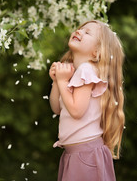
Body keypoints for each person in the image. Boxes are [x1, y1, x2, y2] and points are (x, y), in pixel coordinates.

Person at [49, 20, 125, 181]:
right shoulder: (76, 71)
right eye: (80, 29)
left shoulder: (86, 70)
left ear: (96, 52)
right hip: (75, 154)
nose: (80, 32)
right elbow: (57, 108)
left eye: (87, 32)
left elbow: (76, 111)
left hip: (85, 156)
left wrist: (63, 82)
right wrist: (57, 82)